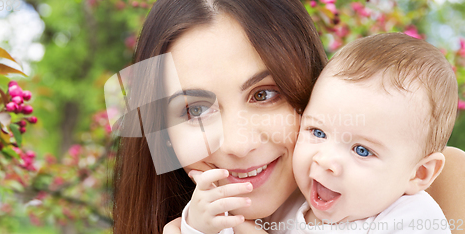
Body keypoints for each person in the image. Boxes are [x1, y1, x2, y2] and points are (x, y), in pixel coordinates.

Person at [110, 1, 465, 234]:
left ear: (308, 88)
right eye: (195, 110)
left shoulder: (427, 198)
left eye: (264, 94)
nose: (238, 143)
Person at [292, 33, 454, 233]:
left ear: (419, 173)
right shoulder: (288, 200)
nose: (325, 161)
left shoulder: (413, 217)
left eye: (362, 150)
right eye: (318, 132)